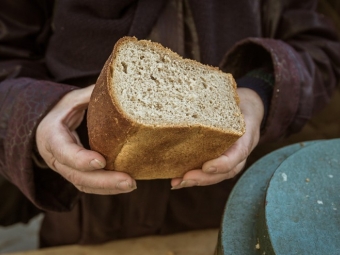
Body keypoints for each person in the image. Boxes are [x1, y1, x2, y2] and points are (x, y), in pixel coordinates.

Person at [0, 0, 339, 248]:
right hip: (85, 220)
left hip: (223, 206)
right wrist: (38, 114)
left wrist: (260, 89)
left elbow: (320, 47)